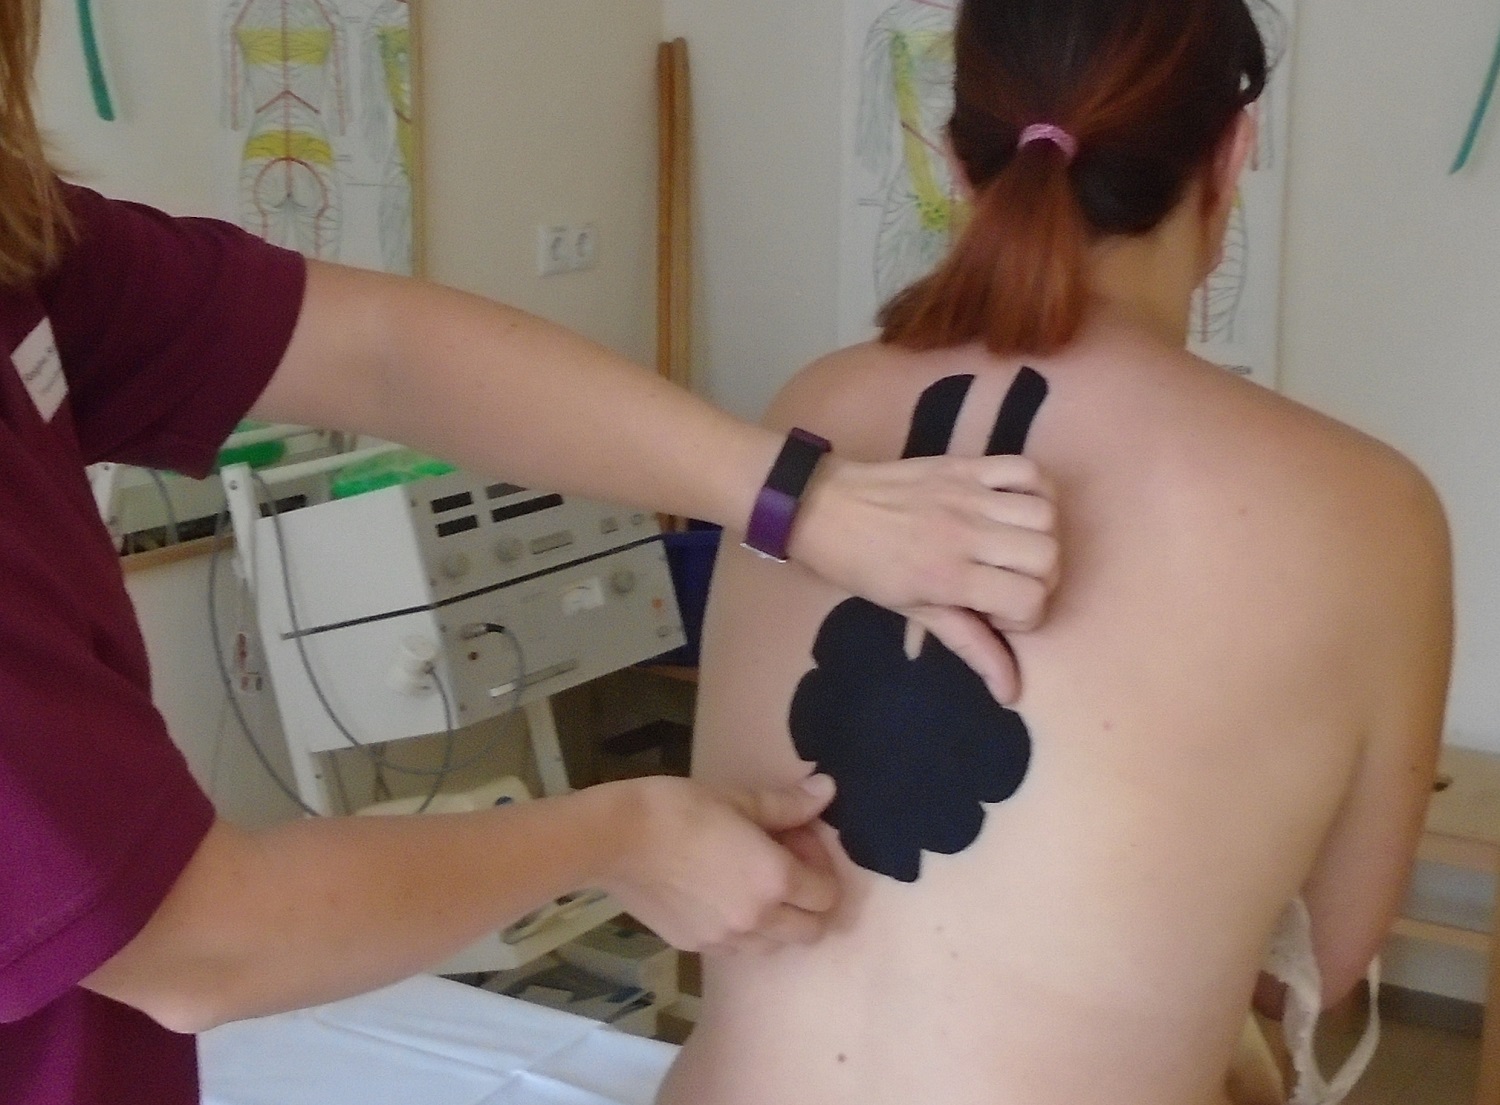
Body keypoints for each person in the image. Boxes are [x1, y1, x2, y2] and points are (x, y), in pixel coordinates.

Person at [0, 4, 1065, 1104]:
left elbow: (382, 351)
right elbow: (201, 942)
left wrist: (806, 499)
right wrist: (622, 834)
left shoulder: (26, 248)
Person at [660, 1, 1452, 1103]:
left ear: (957, 160)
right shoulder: (1368, 509)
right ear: (1233, 154)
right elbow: (1327, 951)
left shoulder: (812, 409)